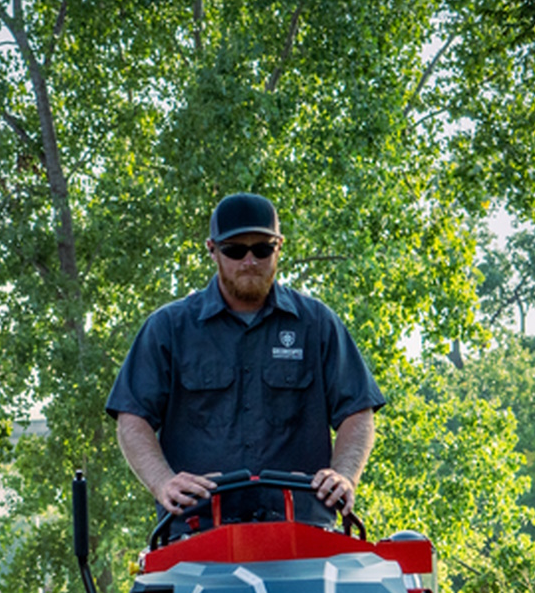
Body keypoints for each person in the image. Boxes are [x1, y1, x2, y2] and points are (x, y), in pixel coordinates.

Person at [107, 192, 385, 524]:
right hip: (197, 531)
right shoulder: (168, 329)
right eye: (235, 250)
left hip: (302, 530)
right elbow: (132, 417)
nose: (249, 261)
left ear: (279, 247)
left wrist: (344, 475)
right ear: (212, 250)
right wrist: (162, 481)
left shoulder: (317, 325)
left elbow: (357, 411)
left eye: (262, 249)